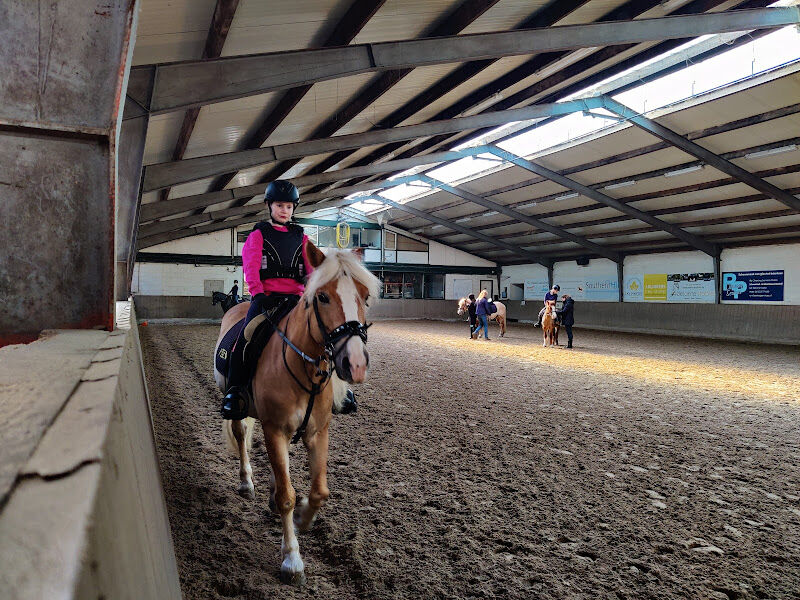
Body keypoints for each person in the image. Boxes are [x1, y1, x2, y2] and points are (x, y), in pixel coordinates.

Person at [220, 180, 358, 419]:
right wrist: (257, 292)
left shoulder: (301, 237)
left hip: (296, 299)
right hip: (266, 299)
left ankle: (338, 390)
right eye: (280, 205)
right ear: (269, 206)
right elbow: (250, 267)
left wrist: (310, 288)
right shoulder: (258, 234)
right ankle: (235, 391)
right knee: (247, 336)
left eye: (288, 206)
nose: (284, 210)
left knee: (325, 335)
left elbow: (311, 271)